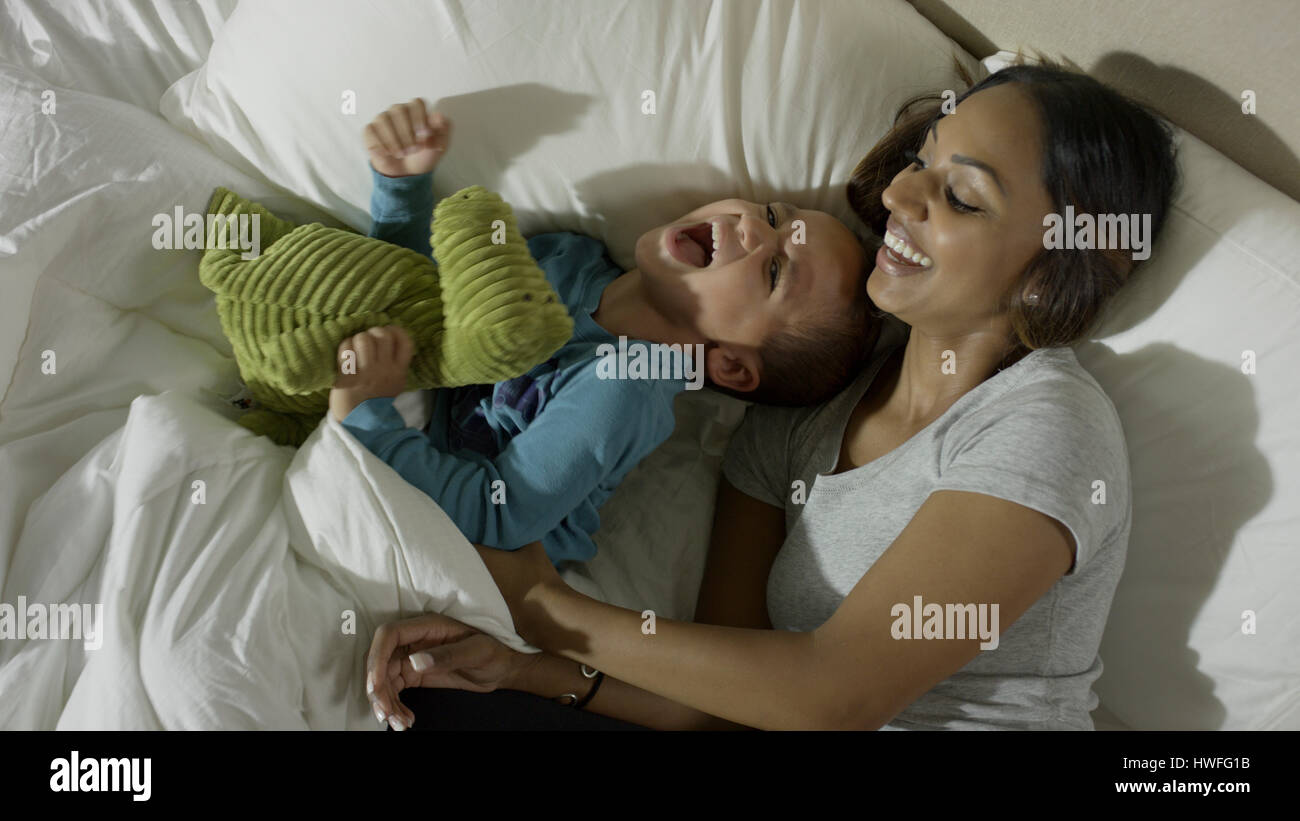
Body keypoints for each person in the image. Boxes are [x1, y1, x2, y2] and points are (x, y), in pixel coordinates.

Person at [364, 63, 1179, 730]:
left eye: (963, 197)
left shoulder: (1044, 423)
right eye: (921, 161)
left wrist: (542, 608)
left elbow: (837, 692)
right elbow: (720, 702)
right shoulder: (798, 417)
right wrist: (522, 669)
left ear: (1052, 270)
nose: (899, 197)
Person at [328, 98, 879, 566]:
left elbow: (497, 520)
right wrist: (402, 191)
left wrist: (365, 417)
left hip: (481, 559)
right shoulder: (567, 257)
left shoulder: (626, 386)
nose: (753, 226)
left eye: (775, 270)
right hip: (418, 438)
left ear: (731, 364)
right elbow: (423, 307)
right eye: (774, 215)